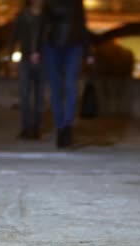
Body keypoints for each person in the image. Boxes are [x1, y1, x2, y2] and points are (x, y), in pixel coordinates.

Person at [33, 0, 94, 148]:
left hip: (71, 46)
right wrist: (37, 49)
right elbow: (42, 25)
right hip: (54, 46)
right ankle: (62, 128)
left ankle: (66, 127)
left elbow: (82, 24)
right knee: (58, 87)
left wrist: (87, 51)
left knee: (67, 86)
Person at [9, 0, 44, 140]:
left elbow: (48, 37)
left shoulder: (46, 18)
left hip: (42, 60)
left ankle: (36, 128)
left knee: (38, 95)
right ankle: (26, 127)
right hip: (26, 58)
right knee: (25, 94)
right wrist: (11, 56)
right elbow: (14, 36)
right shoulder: (22, 16)